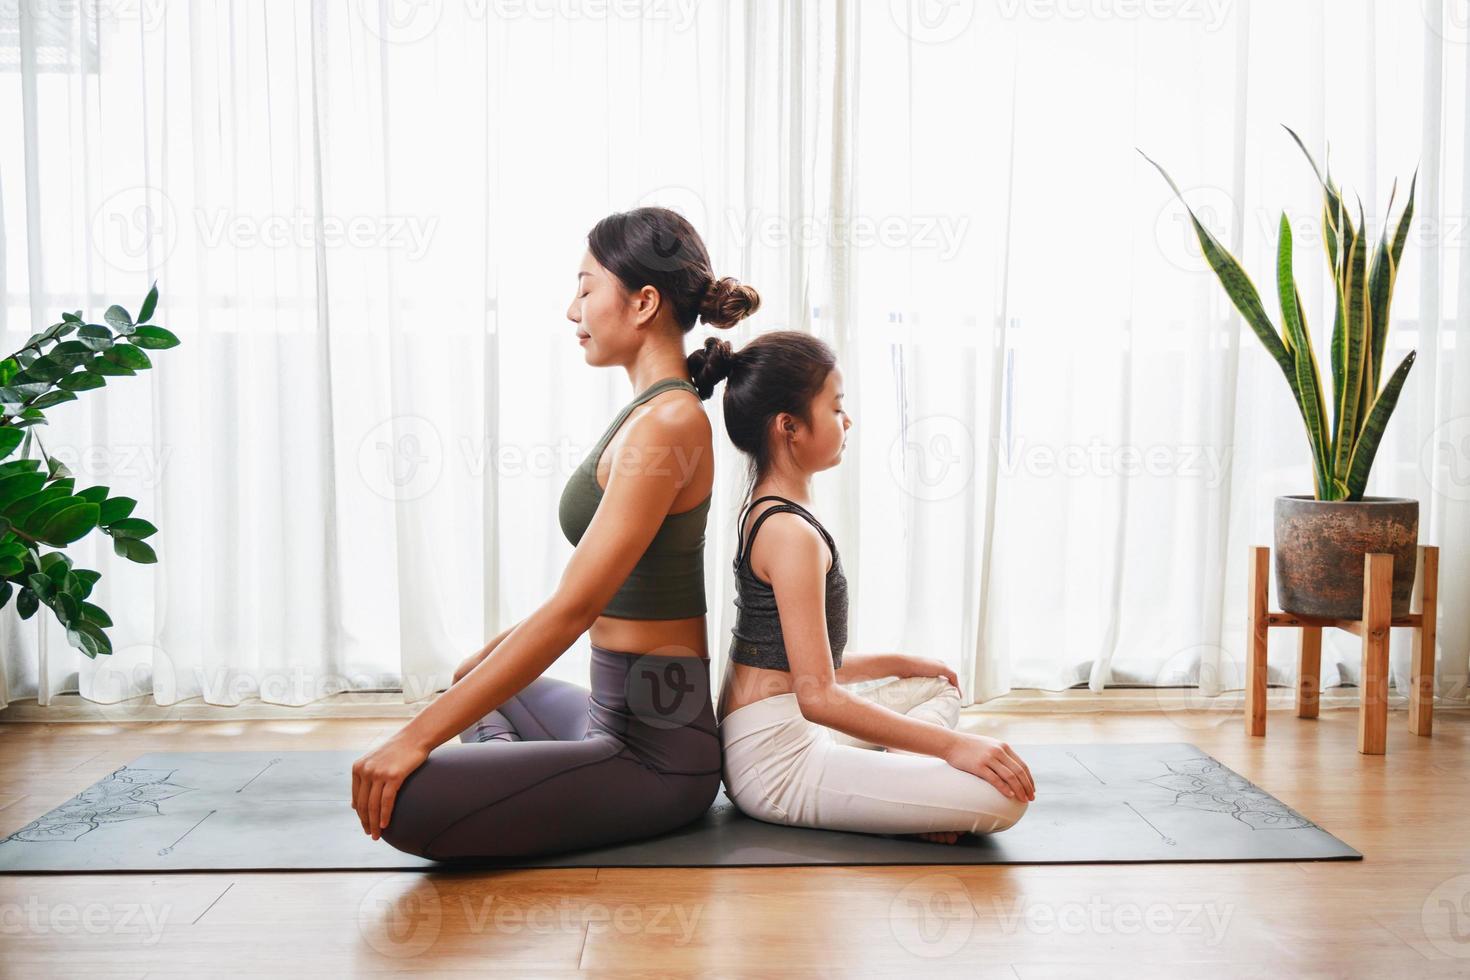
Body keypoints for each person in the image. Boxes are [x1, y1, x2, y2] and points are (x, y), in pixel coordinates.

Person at [350, 207, 760, 859]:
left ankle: (541, 786)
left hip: (657, 749)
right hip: (606, 716)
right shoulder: (647, 412)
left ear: (644, 301)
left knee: (406, 800)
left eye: (586, 287)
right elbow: (577, 597)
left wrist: (413, 738)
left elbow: (574, 609)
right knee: (472, 674)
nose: (573, 311)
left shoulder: (670, 423)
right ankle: (540, 785)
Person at [700, 330, 1036, 844]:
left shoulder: (772, 513)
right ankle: (922, 797)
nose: (847, 420)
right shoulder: (788, 532)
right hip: (774, 763)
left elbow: (807, 666)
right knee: (1004, 799)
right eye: (836, 409)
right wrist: (952, 749)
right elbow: (819, 696)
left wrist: (906, 663)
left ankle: (915, 795)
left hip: (783, 722)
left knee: (937, 684)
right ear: (789, 426)